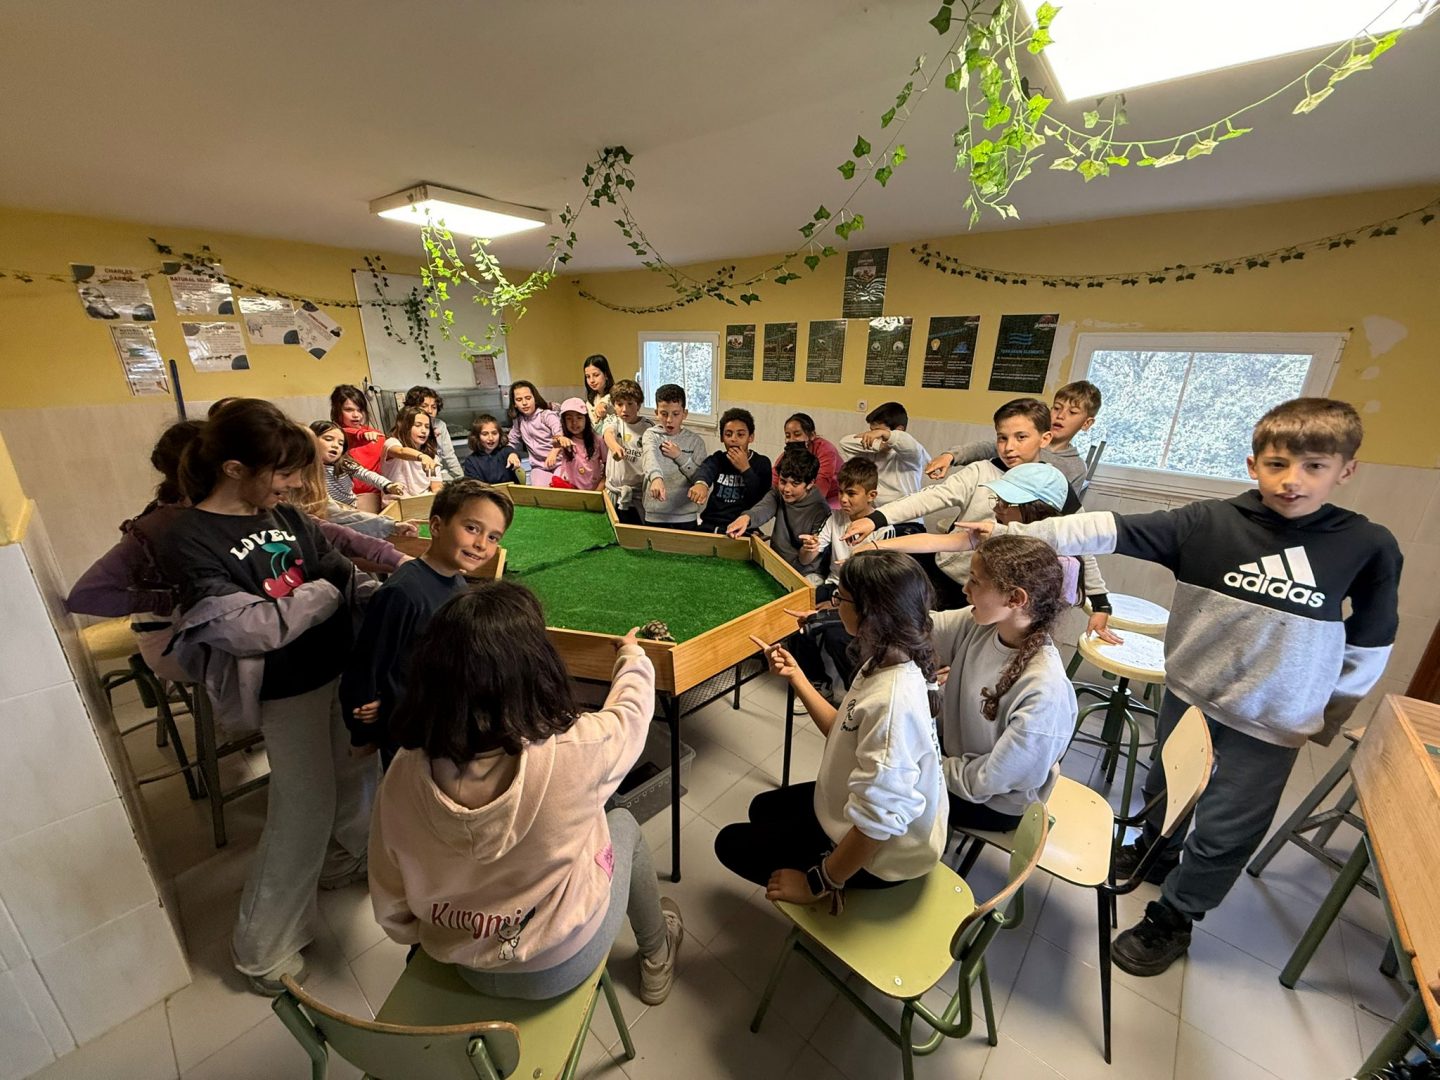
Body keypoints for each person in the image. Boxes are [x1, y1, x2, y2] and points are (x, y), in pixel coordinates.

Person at [950, 397, 1402, 977]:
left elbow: (1370, 644)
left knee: (1227, 828)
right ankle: (1155, 852)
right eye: (1277, 464)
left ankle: (1175, 916)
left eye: (1314, 466)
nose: (1293, 480)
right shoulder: (1209, 523)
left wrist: (1327, 715)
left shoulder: (1367, 545)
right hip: (1190, 694)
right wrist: (1015, 532)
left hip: (1273, 720)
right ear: (1253, 464)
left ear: (1346, 469)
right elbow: (1105, 529)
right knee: (1163, 789)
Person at [153, 399, 377, 995]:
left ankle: (344, 860)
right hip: (285, 690)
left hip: (341, 669)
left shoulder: (288, 516)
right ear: (234, 469)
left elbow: (342, 572)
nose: (296, 484)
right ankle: (262, 948)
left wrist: (385, 594)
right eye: (283, 472)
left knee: (356, 771)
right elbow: (247, 629)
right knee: (302, 811)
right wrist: (324, 595)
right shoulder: (189, 537)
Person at [368, 585, 685, 1004]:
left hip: (464, 964)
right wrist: (632, 657)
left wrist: (441, 936)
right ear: (538, 668)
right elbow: (632, 715)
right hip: (561, 962)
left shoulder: (403, 770)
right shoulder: (575, 748)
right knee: (622, 821)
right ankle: (658, 951)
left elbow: (391, 904)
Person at [713, 551, 949, 902]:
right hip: (856, 811)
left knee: (729, 843)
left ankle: (836, 883)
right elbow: (845, 729)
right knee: (762, 807)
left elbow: (877, 825)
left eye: (841, 597)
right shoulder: (892, 656)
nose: (835, 604)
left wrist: (819, 882)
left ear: (871, 614)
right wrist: (797, 676)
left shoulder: (892, 703)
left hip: (884, 858)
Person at [843, 400, 1114, 629]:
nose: (1009, 447)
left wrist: (1100, 600)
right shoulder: (981, 474)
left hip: (997, 597)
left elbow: (1080, 538)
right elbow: (931, 504)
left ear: (1044, 438)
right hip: (950, 578)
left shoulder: (1052, 487)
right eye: (1002, 438)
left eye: (1021, 437)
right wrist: (875, 524)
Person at [341, 481, 512, 766]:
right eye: (472, 528)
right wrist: (364, 732)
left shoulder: (457, 582)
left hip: (442, 726)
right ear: (436, 525)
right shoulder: (402, 592)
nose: (482, 544)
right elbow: (366, 668)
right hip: (409, 737)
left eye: (493, 537)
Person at [933, 534, 1077, 830]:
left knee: (886, 788)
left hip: (991, 803)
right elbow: (927, 628)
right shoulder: (982, 624)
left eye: (975, 581)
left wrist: (929, 764)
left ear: (1015, 599)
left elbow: (989, 780)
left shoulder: (1044, 689)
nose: (965, 588)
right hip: (956, 767)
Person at [65, 420, 206, 682]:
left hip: (197, 630)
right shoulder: (158, 528)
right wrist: (165, 600)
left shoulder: (200, 511)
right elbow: (84, 597)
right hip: (174, 646)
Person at [789, 458, 888, 698]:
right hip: (835, 586)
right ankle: (816, 680)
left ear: (871, 495)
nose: (843, 499)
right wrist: (809, 548)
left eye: (851, 493)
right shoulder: (835, 518)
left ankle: (857, 694)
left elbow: (876, 588)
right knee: (795, 616)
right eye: (841, 492)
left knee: (837, 636)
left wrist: (835, 605)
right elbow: (805, 559)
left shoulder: (883, 528)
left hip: (863, 600)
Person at [927, 380, 1101, 499]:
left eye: (1072, 412)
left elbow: (1064, 514)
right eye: (1056, 408)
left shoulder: (1076, 468)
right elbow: (984, 448)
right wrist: (950, 456)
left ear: (1086, 423)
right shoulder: (1018, 446)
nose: (1060, 415)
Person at [726, 446, 830, 573]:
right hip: (775, 564)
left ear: (810, 484)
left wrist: (809, 549)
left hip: (806, 573)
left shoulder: (821, 510)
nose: (786, 489)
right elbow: (763, 508)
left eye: (795, 484)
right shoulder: (777, 494)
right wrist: (746, 518)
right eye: (783, 481)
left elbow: (807, 560)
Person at [837, 401, 931, 531]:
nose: (872, 435)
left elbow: (910, 446)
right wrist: (878, 445)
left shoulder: (910, 457)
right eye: (871, 431)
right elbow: (845, 442)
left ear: (899, 430)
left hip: (906, 521)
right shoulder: (872, 452)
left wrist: (887, 436)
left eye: (878, 432)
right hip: (879, 519)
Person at [688, 407, 772, 534]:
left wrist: (745, 469)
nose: (734, 439)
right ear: (722, 438)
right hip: (712, 524)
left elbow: (761, 498)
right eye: (728, 434)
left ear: (751, 437)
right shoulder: (718, 458)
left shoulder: (762, 463)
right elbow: (706, 470)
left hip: (742, 527)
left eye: (740, 435)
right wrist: (701, 484)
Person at [640, 383, 706, 528]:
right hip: (655, 515)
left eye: (675, 414)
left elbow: (700, 477)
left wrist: (679, 456)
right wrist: (656, 478)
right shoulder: (651, 435)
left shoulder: (695, 442)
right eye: (664, 414)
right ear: (656, 413)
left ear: (684, 414)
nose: (669, 420)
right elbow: (650, 458)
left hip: (686, 517)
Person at [309, 420, 403, 508]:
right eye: (328, 439)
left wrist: (387, 485)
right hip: (329, 511)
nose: (336, 445)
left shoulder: (344, 464)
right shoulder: (307, 470)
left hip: (351, 507)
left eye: (340, 443)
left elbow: (366, 474)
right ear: (311, 440)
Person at [600, 379, 652, 525]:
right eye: (619, 404)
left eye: (630, 404)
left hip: (638, 495)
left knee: (637, 531)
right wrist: (615, 447)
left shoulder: (648, 428)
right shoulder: (613, 420)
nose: (624, 409)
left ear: (638, 405)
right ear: (613, 405)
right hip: (614, 492)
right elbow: (608, 434)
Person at [330, 385, 386, 512]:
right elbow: (345, 434)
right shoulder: (332, 436)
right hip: (343, 499)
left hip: (375, 495)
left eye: (360, 410)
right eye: (349, 410)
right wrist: (361, 435)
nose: (356, 415)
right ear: (337, 410)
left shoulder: (376, 435)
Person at [773, 413, 843, 508]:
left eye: (797, 434)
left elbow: (822, 484)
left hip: (833, 495)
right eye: (788, 436)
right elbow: (775, 477)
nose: (792, 440)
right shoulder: (790, 452)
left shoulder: (826, 450)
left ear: (812, 435)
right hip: (802, 496)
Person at [506, 380, 564, 488]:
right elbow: (511, 441)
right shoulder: (518, 421)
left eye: (528, 398)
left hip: (560, 463)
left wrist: (554, 451)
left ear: (535, 399)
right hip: (539, 467)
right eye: (519, 399)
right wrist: (511, 453)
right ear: (514, 404)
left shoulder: (546, 415)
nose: (524, 403)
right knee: (540, 493)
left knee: (560, 489)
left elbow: (560, 434)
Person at [382, 405, 442, 502]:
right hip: (396, 504)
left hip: (423, 502)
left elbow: (436, 487)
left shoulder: (431, 455)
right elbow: (401, 451)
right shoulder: (392, 442)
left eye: (427, 427)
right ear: (405, 427)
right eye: (418, 425)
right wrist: (422, 457)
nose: (424, 431)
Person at [403, 386, 464, 481]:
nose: (430, 411)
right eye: (424, 406)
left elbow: (449, 455)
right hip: (415, 476)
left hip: (437, 473)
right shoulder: (406, 426)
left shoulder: (440, 425)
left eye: (434, 407)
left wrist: (460, 478)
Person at [548, 397, 606, 490]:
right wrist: (560, 440)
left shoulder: (598, 440)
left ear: (586, 419)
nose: (574, 422)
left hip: (593, 489)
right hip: (570, 489)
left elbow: (607, 467)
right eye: (569, 418)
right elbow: (555, 443)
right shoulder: (564, 438)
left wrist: (598, 490)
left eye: (579, 417)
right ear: (564, 421)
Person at [463, 414, 524, 484]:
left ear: (500, 434)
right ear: (477, 437)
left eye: (494, 433)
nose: (491, 438)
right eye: (485, 434)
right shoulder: (471, 461)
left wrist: (513, 455)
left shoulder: (505, 451)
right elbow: (474, 487)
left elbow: (511, 452)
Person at [583, 354, 615, 426]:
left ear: (606, 375)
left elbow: (608, 399)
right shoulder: (591, 400)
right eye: (588, 376)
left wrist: (602, 405)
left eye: (596, 375)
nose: (591, 380)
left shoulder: (615, 396)